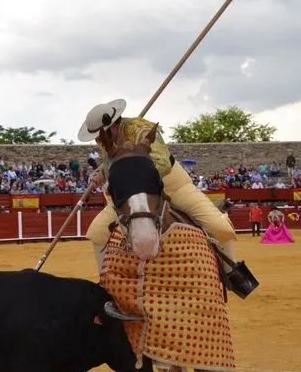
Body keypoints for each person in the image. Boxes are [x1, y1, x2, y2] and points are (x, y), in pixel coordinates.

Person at [78, 99, 239, 272]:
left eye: (98, 136)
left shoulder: (143, 129)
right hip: (131, 194)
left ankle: (232, 274)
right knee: (98, 232)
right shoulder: (106, 142)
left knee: (218, 227)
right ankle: (105, 280)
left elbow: (163, 163)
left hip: (173, 186)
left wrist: (129, 177)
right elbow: (111, 164)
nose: (98, 141)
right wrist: (102, 174)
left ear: (114, 128)